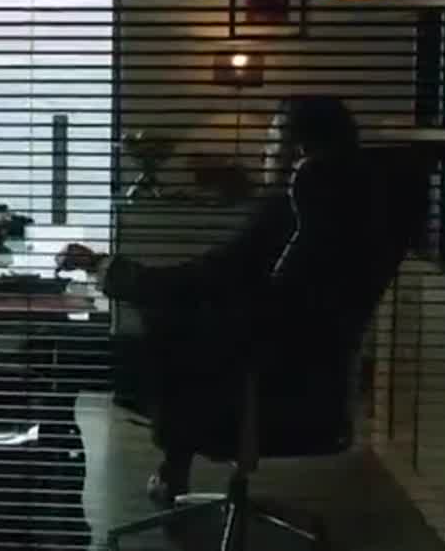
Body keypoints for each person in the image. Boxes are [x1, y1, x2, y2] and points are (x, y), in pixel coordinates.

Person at [56, 95, 369, 505]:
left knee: (58, 355)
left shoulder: (290, 212)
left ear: (301, 151)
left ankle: (54, 509)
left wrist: (102, 266)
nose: (264, 153)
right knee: (179, 327)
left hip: (250, 381)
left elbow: (203, 279)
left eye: (273, 140)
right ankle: (173, 467)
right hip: (304, 386)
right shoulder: (351, 215)